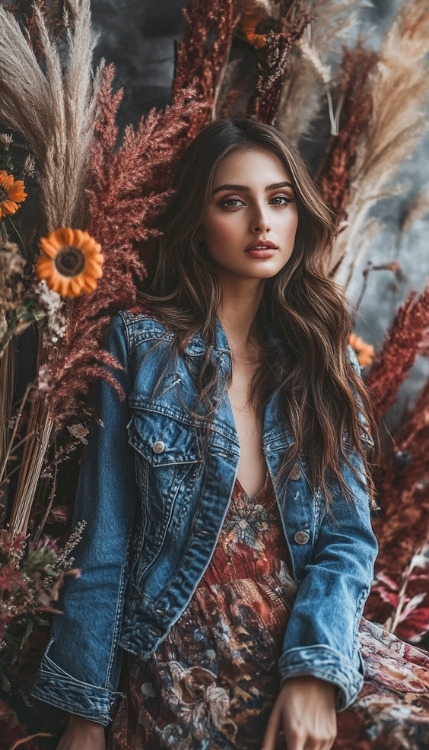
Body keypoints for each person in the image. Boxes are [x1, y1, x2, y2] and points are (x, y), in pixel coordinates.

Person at [32, 117, 378, 749]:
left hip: (311, 639)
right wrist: (85, 714)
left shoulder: (325, 358)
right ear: (197, 218)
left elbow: (347, 541)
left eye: (279, 199)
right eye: (232, 202)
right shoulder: (140, 345)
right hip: (186, 658)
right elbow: (104, 541)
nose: (262, 223)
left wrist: (317, 672)